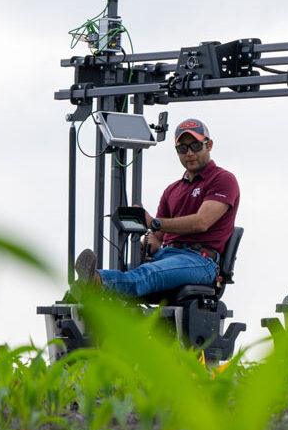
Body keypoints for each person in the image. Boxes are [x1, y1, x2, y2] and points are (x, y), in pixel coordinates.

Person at [74, 118, 241, 299]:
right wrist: (142, 243)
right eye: (182, 149)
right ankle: (76, 298)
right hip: (166, 255)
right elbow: (156, 238)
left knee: (147, 274)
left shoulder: (223, 179)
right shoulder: (172, 190)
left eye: (195, 146)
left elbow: (202, 222)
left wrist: (153, 222)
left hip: (200, 260)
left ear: (208, 145)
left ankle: (96, 282)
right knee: (124, 271)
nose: (190, 153)